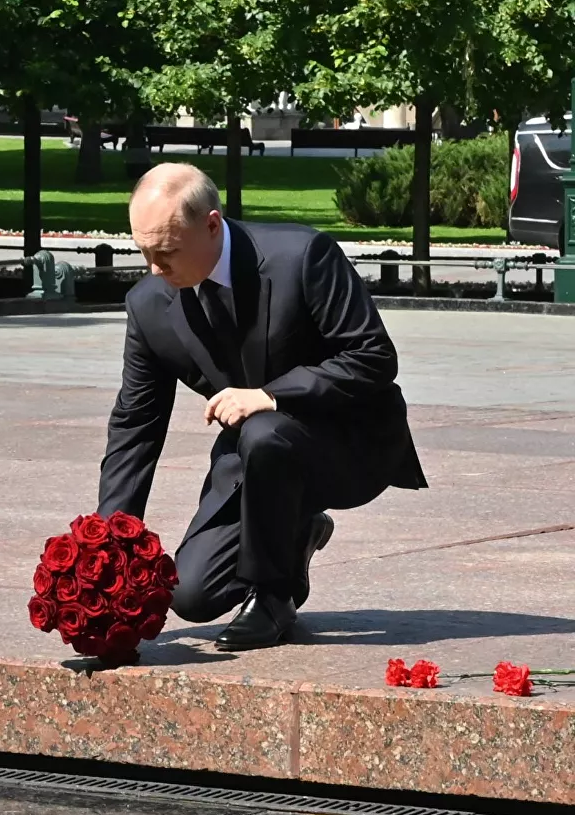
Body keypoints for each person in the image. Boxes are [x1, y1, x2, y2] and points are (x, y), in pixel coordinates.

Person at [97, 163, 425, 649]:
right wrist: (108, 547)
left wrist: (272, 396)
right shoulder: (148, 305)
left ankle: (274, 595)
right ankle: (298, 531)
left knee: (264, 430)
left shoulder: (302, 256)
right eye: (142, 250)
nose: (153, 267)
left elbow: (373, 357)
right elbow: (135, 425)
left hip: (348, 442)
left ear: (211, 224)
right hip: (253, 459)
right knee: (190, 595)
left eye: (165, 251)